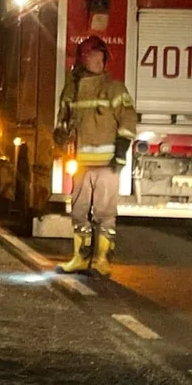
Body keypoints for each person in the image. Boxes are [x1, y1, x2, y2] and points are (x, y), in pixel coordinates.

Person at [54, 36, 136, 277]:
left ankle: (102, 261)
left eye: (101, 58)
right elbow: (64, 120)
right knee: (78, 211)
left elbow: (128, 121)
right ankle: (80, 258)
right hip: (81, 163)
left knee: (105, 213)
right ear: (83, 60)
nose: (99, 62)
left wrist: (120, 153)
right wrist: (60, 136)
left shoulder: (114, 88)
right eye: (93, 58)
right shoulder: (72, 90)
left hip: (107, 164)